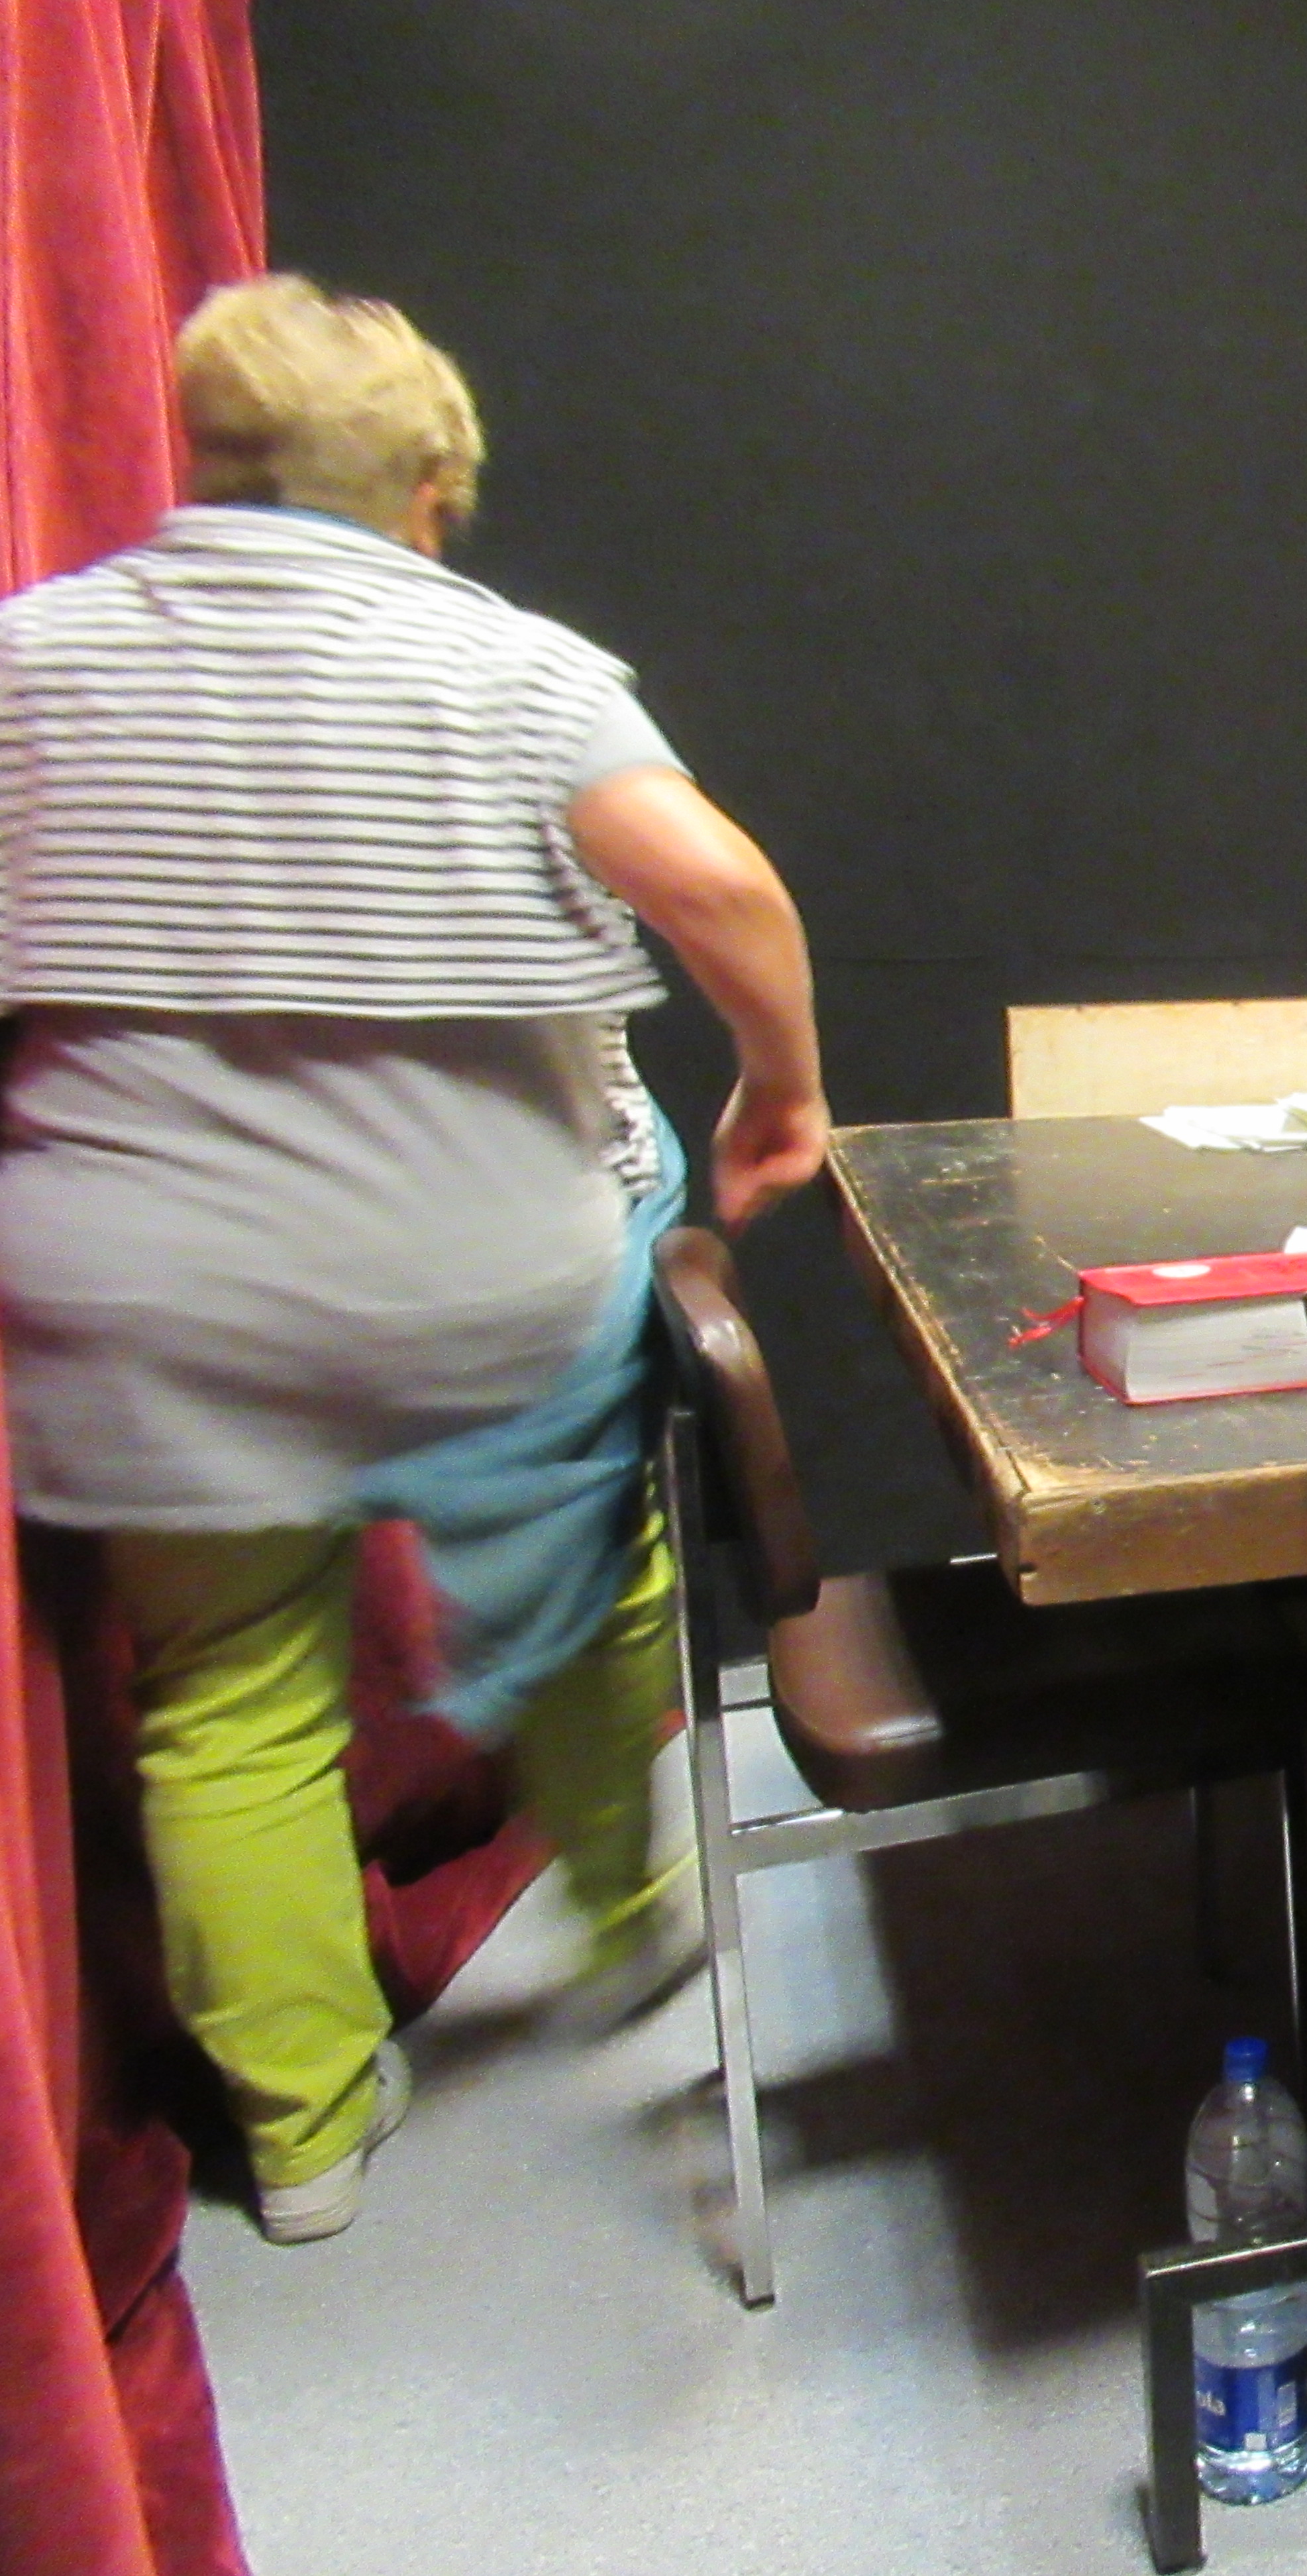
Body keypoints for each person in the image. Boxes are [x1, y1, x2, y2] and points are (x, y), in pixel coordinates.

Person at [0, 276, 829, 2243]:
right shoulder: (512, 670)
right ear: (431, 485)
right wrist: (779, 1091)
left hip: (151, 1296)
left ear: (203, 450)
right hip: (475, 1274)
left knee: (227, 1700)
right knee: (592, 1580)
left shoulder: (31, 659)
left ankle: (301, 2139)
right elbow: (713, 880)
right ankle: (635, 1911)